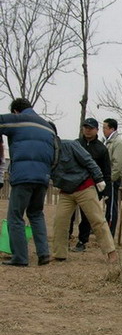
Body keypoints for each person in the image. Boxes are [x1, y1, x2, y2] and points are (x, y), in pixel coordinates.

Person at [0, 98, 56, 267]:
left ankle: (20, 257)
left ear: (16, 111)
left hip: (23, 176)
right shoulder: (47, 126)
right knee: (36, 214)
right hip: (43, 177)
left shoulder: (18, 120)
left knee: (15, 216)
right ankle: (43, 253)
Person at [50, 126, 117, 263]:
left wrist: (99, 179)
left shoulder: (70, 145)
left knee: (97, 220)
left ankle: (111, 252)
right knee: (60, 221)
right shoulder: (43, 152)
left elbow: (88, 160)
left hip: (84, 186)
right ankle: (59, 254)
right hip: (66, 191)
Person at [70, 117, 112, 252]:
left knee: (87, 216)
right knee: (68, 214)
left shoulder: (101, 149)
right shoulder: (75, 144)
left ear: (96, 130)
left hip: (90, 186)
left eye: (91, 128)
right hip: (72, 184)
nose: (88, 131)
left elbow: (106, 171)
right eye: (85, 127)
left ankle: (82, 240)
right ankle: (66, 236)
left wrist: (105, 191)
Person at [102, 118, 122, 236]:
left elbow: (118, 163)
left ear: (112, 128)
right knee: (107, 205)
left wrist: (111, 178)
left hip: (112, 179)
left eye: (105, 128)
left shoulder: (117, 143)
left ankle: (110, 232)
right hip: (105, 178)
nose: (103, 130)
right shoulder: (107, 141)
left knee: (111, 207)